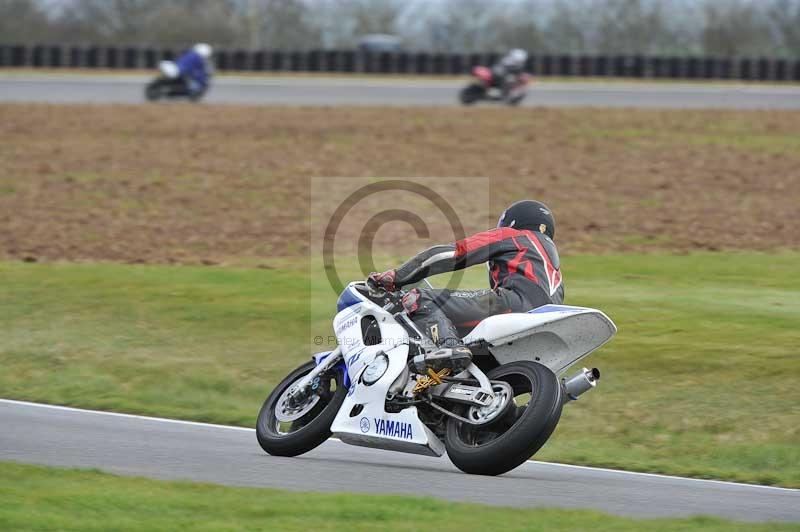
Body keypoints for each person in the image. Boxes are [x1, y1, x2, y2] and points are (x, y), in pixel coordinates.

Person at [368, 200, 563, 375]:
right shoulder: (551, 265)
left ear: (512, 222)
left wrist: (397, 276)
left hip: (515, 304)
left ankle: (449, 348)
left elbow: (454, 254)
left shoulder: (514, 236)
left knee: (418, 298)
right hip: (544, 323)